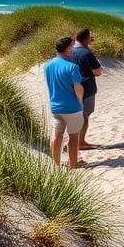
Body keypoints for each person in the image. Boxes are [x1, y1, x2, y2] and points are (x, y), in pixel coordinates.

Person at [44, 37, 85, 169]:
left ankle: (55, 165)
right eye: (72, 46)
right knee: (73, 136)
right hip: (72, 107)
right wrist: (80, 100)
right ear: (67, 48)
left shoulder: (48, 65)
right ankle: (73, 165)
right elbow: (78, 88)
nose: (73, 48)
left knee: (56, 135)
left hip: (56, 106)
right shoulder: (72, 67)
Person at [70, 28, 103, 150]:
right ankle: (81, 142)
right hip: (87, 88)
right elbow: (98, 72)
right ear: (87, 38)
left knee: (74, 115)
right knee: (84, 115)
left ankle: (74, 141)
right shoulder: (86, 53)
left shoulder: (70, 51)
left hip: (72, 87)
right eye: (90, 37)